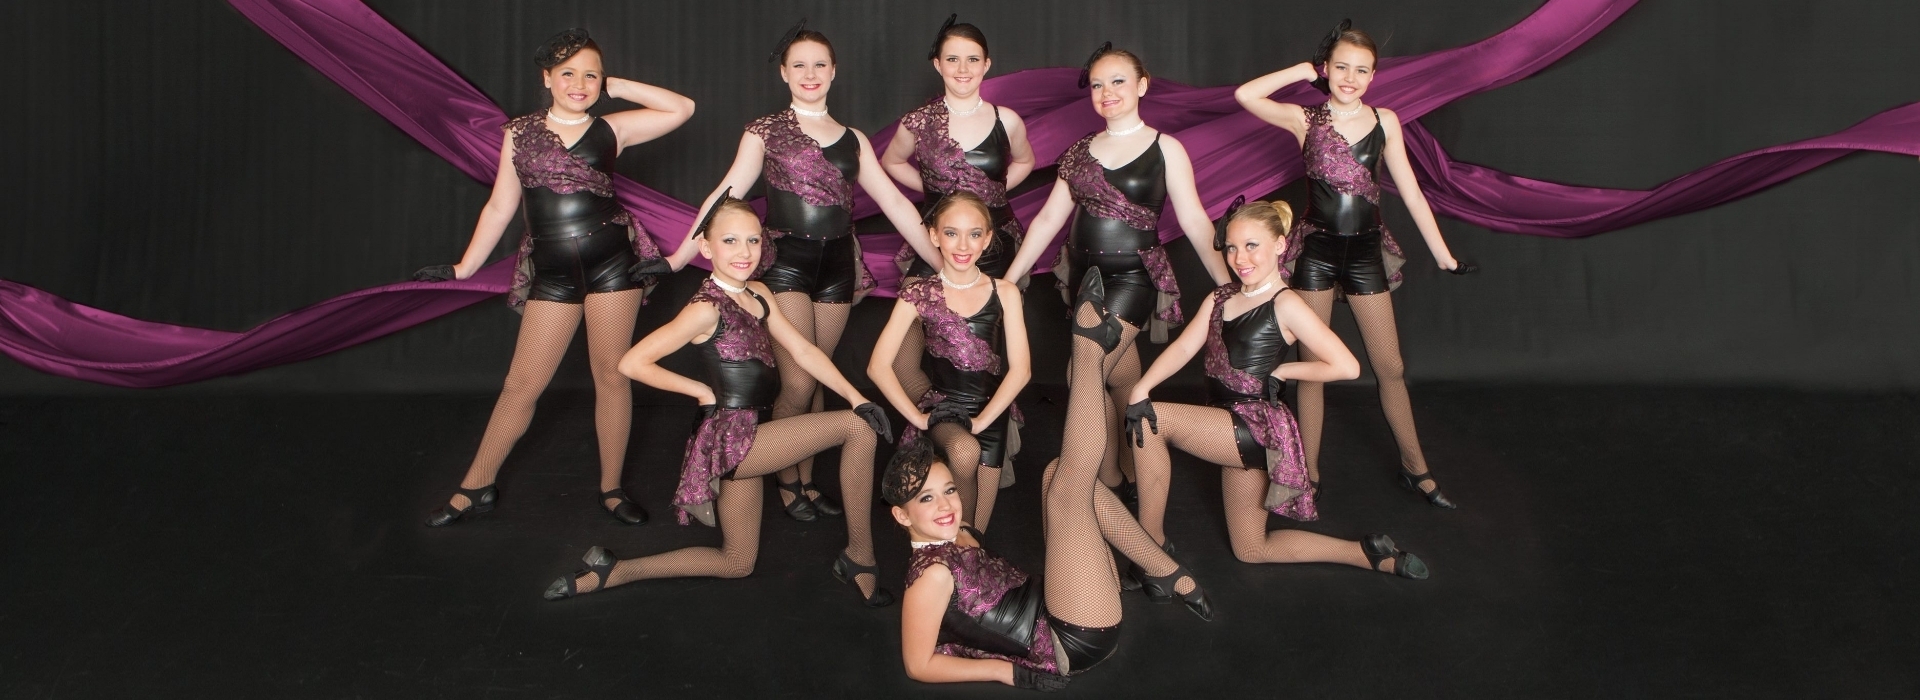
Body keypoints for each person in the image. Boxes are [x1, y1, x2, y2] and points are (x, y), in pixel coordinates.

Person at [544, 195, 894, 605]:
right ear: (706, 248)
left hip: (753, 434)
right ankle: (859, 558)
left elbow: (804, 351)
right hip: (732, 441)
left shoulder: (759, 292)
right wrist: (700, 391)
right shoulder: (706, 309)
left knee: (737, 562)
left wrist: (856, 397)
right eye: (730, 241)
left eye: (753, 241)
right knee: (856, 431)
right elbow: (632, 361)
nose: (744, 252)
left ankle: (615, 571)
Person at [413, 29, 693, 527]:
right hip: (554, 274)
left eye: (590, 74)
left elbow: (682, 108)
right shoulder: (519, 132)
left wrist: (616, 85)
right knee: (521, 384)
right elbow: (502, 205)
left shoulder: (613, 129)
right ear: (547, 79)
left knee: (612, 377)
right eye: (568, 73)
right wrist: (465, 267)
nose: (580, 83)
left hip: (613, 266)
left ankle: (611, 489)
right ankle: (475, 486)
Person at [666, 20, 938, 521]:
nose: (809, 74)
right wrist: (680, 257)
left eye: (819, 65)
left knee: (815, 379)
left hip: (836, 267)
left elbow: (897, 205)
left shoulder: (853, 139)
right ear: (785, 75)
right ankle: (789, 480)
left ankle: (806, 480)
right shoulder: (765, 131)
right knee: (795, 383)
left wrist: (942, 263)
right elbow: (726, 194)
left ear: (833, 72)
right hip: (786, 265)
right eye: (799, 66)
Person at [1233, 21, 1476, 508]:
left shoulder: (1386, 121)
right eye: (1340, 67)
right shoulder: (1306, 119)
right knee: (1314, 366)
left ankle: (1416, 468)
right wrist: (1301, 70)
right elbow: (1245, 95)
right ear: (1327, 69)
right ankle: (1311, 474)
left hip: (1366, 254)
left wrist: (1443, 254)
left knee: (1389, 366)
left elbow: (1409, 189)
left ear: (1373, 76)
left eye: (1361, 70)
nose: (1350, 77)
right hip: (1317, 255)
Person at [1123, 201, 1430, 579]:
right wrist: (1143, 386)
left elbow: (1347, 366)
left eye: (1252, 245)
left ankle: (1149, 552)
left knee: (1153, 421)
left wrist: (1287, 369)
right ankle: (1368, 554)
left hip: (1256, 427)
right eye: (1232, 247)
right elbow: (1185, 347)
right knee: (1252, 549)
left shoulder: (1286, 304)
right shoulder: (1220, 298)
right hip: (1226, 424)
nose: (1240, 257)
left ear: (1281, 245)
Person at [1003, 43, 1233, 504]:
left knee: (1083, 371)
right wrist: (1009, 279)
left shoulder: (1165, 147)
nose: (1107, 92)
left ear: (1142, 85)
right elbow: (1049, 220)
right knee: (1120, 380)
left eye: (1118, 81)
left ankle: (1098, 479)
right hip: (1085, 280)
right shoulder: (1080, 151)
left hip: (1134, 277)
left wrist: (1229, 283)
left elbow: (1193, 220)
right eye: (1098, 85)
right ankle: (1132, 466)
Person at [884, 433, 1205, 690]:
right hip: (1072, 639)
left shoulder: (956, 531)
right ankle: (1088, 355)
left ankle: (1162, 569)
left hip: (1068, 603)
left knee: (1057, 470)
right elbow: (918, 665)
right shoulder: (932, 576)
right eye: (926, 498)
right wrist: (1005, 672)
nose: (946, 505)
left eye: (949, 490)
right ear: (901, 514)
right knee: (1072, 481)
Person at [878, 16, 1037, 443]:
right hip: (936, 246)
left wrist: (992, 195)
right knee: (905, 356)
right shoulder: (917, 122)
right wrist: (934, 198)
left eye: (972, 59)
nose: (962, 68)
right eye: (952, 59)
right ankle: (942, 428)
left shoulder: (1008, 121)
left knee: (987, 352)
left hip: (994, 245)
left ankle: (988, 442)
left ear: (987, 64)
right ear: (937, 64)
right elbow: (891, 162)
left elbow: (1026, 162)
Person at [869, 193, 1031, 533]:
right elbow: (878, 366)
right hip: (945, 412)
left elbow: (1021, 371)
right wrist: (917, 417)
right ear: (934, 236)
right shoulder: (920, 293)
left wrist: (985, 420)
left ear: (987, 239)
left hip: (990, 416)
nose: (963, 244)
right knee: (963, 449)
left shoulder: (1005, 292)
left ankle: (961, 561)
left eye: (974, 234)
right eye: (952, 232)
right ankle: (954, 561)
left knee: (974, 529)